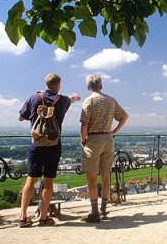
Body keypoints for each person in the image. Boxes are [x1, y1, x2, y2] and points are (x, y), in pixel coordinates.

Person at [18, 73, 80, 227]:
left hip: (36, 144)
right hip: (53, 145)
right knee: (48, 182)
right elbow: (71, 99)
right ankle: (44, 217)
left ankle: (23, 217)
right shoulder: (63, 100)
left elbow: (20, 117)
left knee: (30, 180)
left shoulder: (34, 98)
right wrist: (75, 97)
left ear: (46, 84)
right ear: (58, 85)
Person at [79, 75, 129, 223]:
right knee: (106, 175)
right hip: (108, 139)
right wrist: (113, 132)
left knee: (91, 176)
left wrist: (83, 141)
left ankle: (94, 212)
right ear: (101, 86)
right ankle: (103, 209)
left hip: (93, 140)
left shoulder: (89, 100)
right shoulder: (111, 100)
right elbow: (124, 116)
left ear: (88, 87)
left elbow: (84, 125)